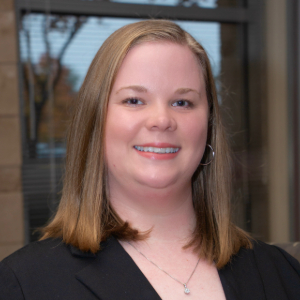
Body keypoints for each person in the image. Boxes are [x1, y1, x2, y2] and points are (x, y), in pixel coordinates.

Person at [0, 20, 299, 300]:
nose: (161, 120)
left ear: (208, 126)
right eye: (134, 100)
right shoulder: (24, 284)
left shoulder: (283, 273)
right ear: (95, 122)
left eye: (182, 102)